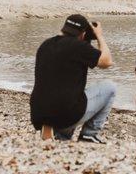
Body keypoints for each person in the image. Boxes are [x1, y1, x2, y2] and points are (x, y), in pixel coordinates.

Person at [30, 14, 115, 143]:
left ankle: (59, 132)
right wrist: (99, 36)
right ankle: (89, 133)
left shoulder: (45, 45)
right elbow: (107, 61)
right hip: (66, 113)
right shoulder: (78, 47)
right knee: (110, 87)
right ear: (83, 33)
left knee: (69, 92)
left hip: (38, 113)